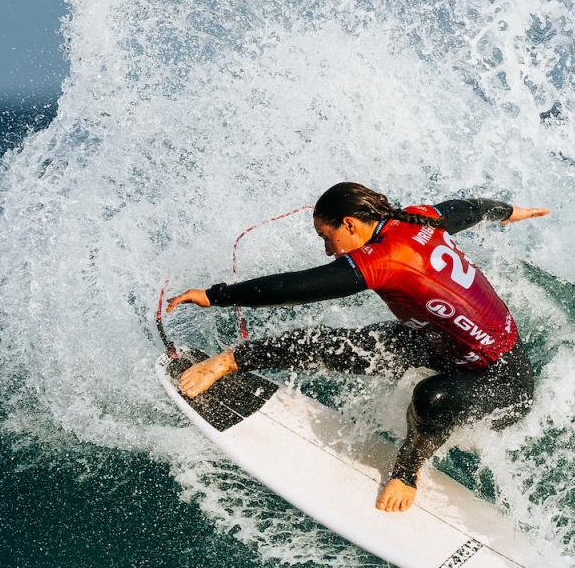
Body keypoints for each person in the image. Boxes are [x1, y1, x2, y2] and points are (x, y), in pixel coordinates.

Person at [166, 182, 549, 513]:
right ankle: (231, 361)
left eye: (325, 237)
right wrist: (510, 212)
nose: (328, 251)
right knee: (339, 345)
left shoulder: (386, 258)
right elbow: (470, 209)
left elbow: (297, 287)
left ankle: (406, 473)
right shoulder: (417, 218)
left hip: (502, 380)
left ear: (349, 223)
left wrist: (216, 296)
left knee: (432, 398)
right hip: (440, 343)